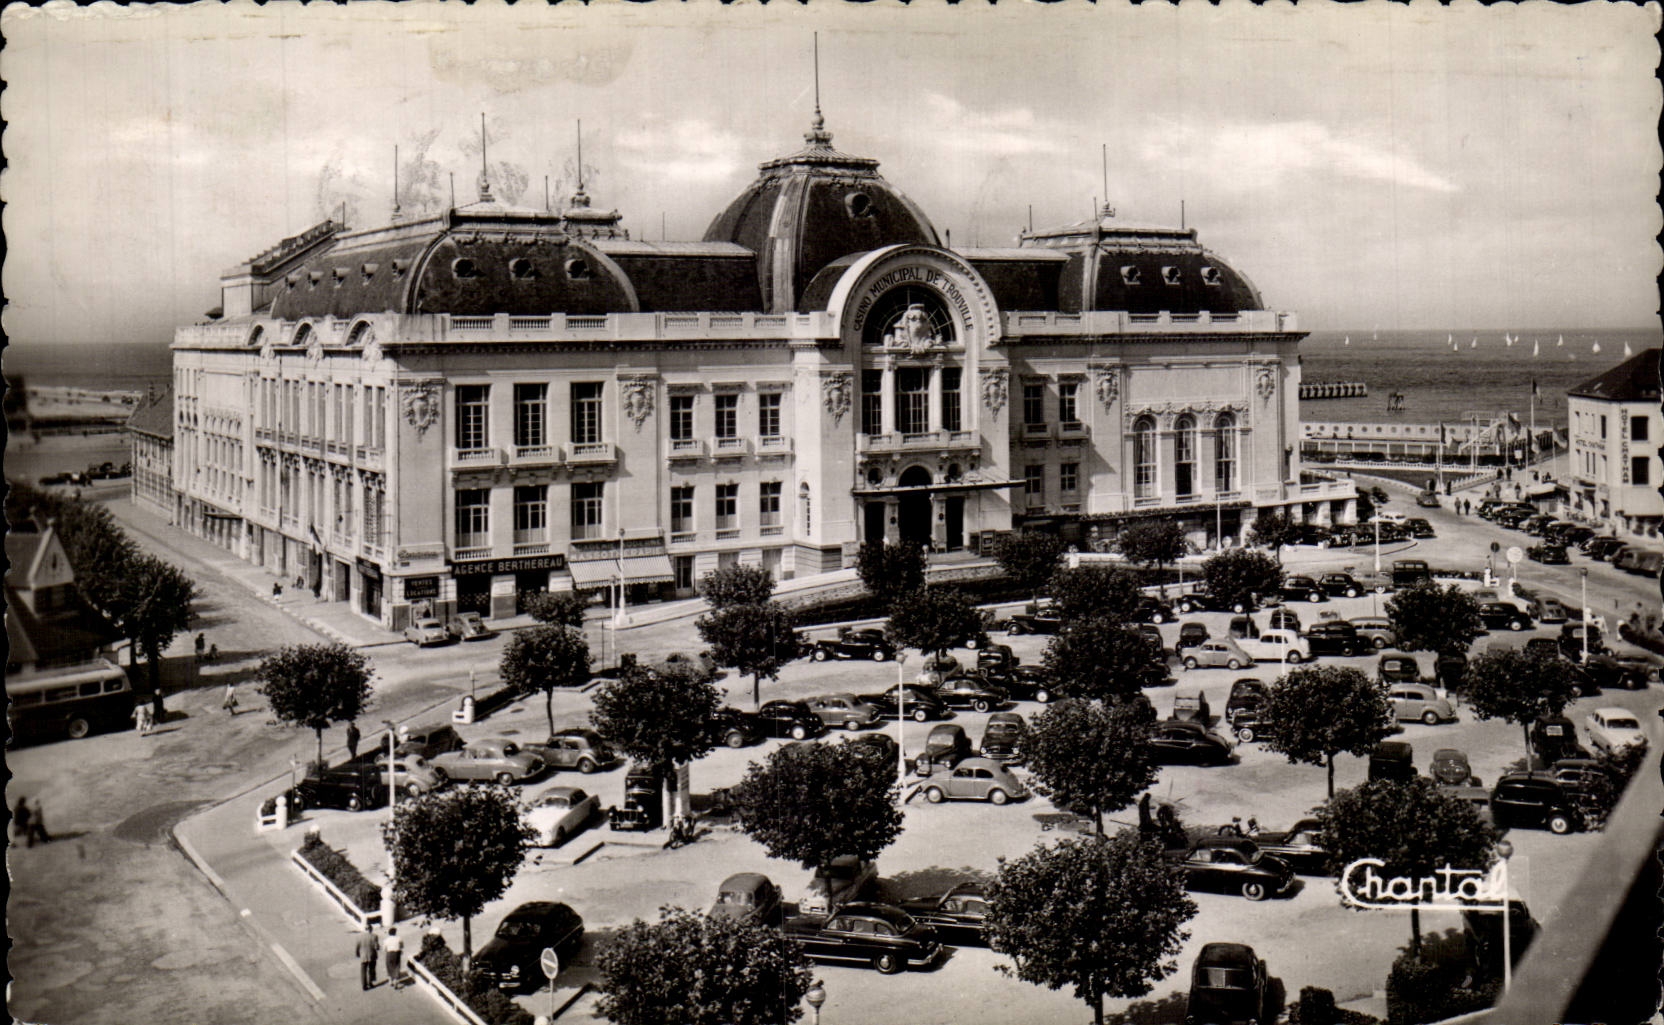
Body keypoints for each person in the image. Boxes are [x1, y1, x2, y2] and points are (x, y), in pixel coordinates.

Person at [354, 926, 380, 990]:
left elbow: (357, 947)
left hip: (363, 956)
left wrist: (357, 954)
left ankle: (364, 985)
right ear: (371, 929)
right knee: (371, 970)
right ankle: (370, 983)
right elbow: (376, 947)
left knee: (363, 971)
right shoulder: (374, 936)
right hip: (372, 956)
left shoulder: (359, 937)